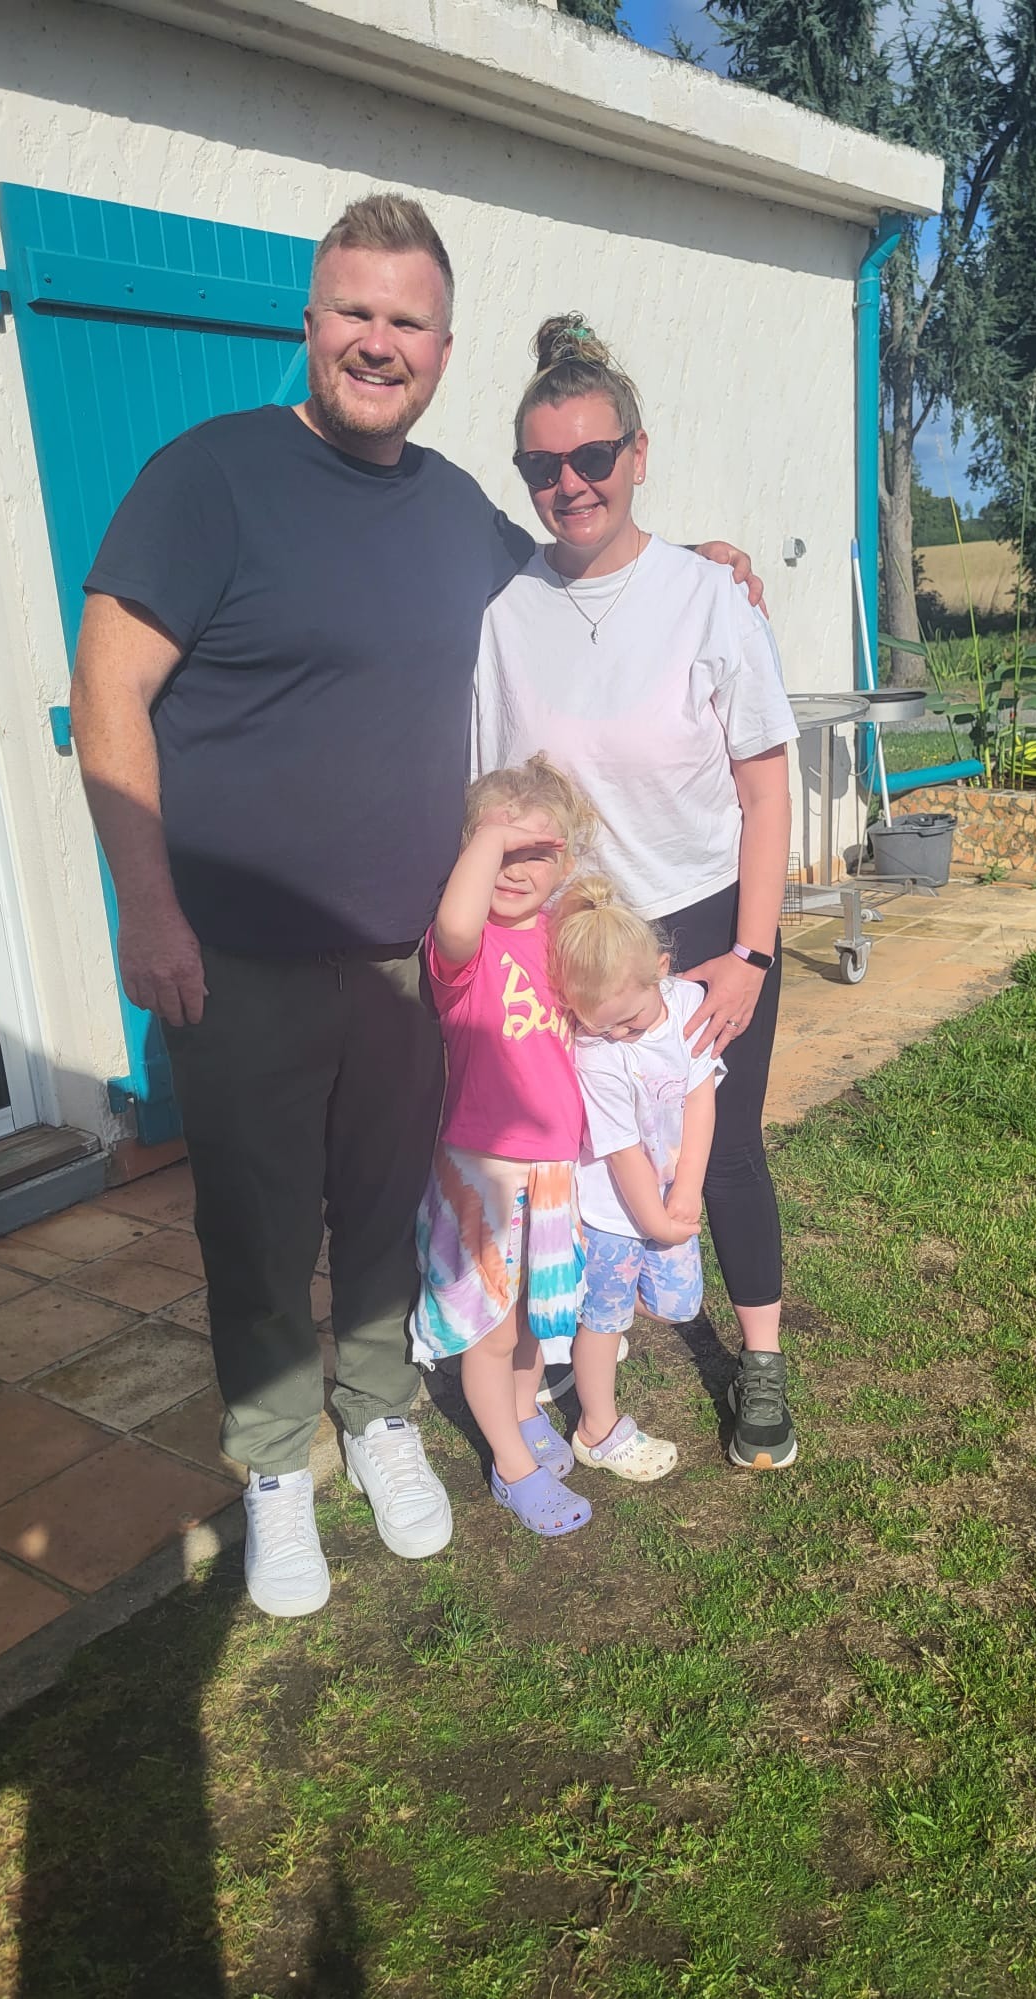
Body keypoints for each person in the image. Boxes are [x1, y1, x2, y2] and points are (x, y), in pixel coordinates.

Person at [70, 191, 765, 1619]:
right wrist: (148, 908)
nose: (377, 342)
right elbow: (107, 689)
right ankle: (276, 1465)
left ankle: (381, 1410)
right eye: (354, 312)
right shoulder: (207, 479)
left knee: (392, 1209)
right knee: (260, 1224)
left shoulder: (455, 509)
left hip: (412, 958)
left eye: (408, 321)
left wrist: (698, 569)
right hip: (240, 954)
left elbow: (579, 565)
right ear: (310, 321)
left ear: (441, 349)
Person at [475, 316, 801, 1471]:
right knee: (573, 1150)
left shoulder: (710, 597)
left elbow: (766, 789)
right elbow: (497, 794)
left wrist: (751, 954)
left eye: (592, 457)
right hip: (570, 941)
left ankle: (760, 1363)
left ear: (638, 453)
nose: (569, 483)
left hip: (705, 923)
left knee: (724, 1145)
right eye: (542, 465)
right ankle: (571, 1355)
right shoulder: (502, 613)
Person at [410, 757, 595, 1537]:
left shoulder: (562, 938)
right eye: (497, 850)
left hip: (554, 1168)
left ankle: (523, 1412)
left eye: (535, 854)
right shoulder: (466, 947)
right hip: (482, 1171)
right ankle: (511, 1467)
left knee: (531, 1315)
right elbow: (455, 924)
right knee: (490, 1327)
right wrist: (490, 839)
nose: (514, 870)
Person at [548, 876, 722, 1482]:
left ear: (661, 973)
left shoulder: (688, 1005)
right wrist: (655, 1222)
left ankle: (586, 1323)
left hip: (669, 1195)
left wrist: (687, 1190)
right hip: (612, 1212)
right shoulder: (595, 1053)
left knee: (678, 1304)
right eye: (603, 1027)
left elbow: (701, 1097)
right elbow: (621, 1153)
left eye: (630, 1021)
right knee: (606, 1319)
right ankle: (596, 1428)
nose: (619, 1037)